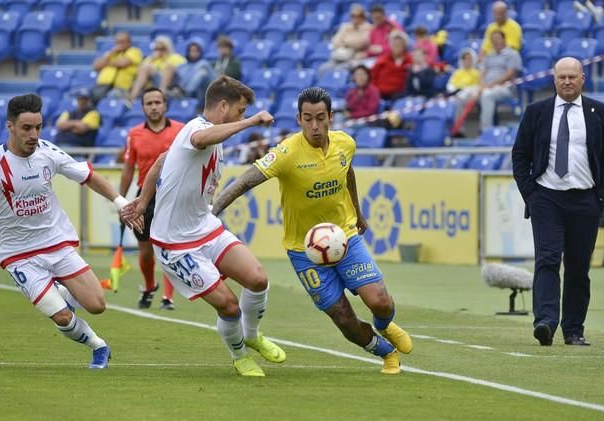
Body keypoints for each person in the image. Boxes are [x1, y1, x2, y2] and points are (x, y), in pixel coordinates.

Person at [211, 87, 413, 375]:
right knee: (344, 319)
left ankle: (384, 325)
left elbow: (347, 173)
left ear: (331, 117)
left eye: (320, 118)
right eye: (308, 119)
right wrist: (213, 211)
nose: (315, 126)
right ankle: (387, 353)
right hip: (304, 251)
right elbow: (244, 182)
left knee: (380, 302)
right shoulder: (286, 153)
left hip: (344, 237)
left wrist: (358, 212)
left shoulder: (346, 144)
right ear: (298, 119)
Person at [0, 94, 143, 369]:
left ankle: (60, 290)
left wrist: (121, 202)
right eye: (26, 128)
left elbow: (89, 176)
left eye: (38, 127)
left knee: (97, 304)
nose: (34, 134)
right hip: (18, 255)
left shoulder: (48, 152)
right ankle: (98, 346)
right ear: (10, 127)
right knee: (64, 317)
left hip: (56, 244)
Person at [121, 76, 286, 377]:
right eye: (239, 110)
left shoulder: (206, 135)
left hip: (205, 227)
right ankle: (240, 357)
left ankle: (251, 335)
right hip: (175, 245)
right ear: (223, 106)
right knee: (229, 306)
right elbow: (199, 141)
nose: (241, 116)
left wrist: (144, 203)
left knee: (258, 279)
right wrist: (250, 123)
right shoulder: (197, 130)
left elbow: (160, 160)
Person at [512, 57, 604, 347]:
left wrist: (602, 197)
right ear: (554, 80)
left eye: (573, 76)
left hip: (586, 199)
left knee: (578, 266)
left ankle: (574, 329)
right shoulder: (536, 112)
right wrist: (530, 193)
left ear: (583, 79)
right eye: (562, 77)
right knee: (547, 259)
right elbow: (520, 154)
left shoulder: (598, 111)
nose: (567, 81)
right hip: (546, 197)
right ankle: (545, 322)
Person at [120, 87, 185, 310]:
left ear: (165, 105)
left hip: (173, 195)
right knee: (146, 251)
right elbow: (128, 169)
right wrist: (120, 201)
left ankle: (168, 297)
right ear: (143, 107)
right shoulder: (134, 134)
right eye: (149, 103)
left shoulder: (181, 130)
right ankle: (149, 286)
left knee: (169, 247)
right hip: (144, 198)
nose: (154, 106)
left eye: (158, 102)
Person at [478, 31, 522, 131]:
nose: (495, 42)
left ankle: (486, 131)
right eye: (493, 40)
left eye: (497, 39)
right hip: (485, 87)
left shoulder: (512, 54)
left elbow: (510, 73)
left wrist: (491, 85)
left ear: (504, 39)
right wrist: (480, 85)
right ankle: (457, 132)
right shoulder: (489, 55)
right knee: (462, 95)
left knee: (486, 95)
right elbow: (482, 71)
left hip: (504, 88)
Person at [129, 36, 187, 101]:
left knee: (169, 67)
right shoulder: (151, 58)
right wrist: (152, 59)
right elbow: (139, 71)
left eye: (162, 49)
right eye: (156, 49)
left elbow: (183, 72)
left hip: (172, 84)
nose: (159, 51)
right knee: (146, 67)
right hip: (154, 83)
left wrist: (165, 59)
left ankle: (161, 96)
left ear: (167, 48)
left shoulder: (176, 57)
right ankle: (132, 98)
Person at [92, 32, 143, 103]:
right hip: (102, 86)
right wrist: (112, 52)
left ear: (129, 42)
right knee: (84, 95)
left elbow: (123, 63)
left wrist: (106, 63)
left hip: (121, 88)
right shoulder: (112, 53)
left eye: (122, 42)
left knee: (111, 96)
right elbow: (96, 66)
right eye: (118, 42)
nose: (119, 45)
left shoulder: (134, 51)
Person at [164, 39, 216, 107]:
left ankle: (185, 93)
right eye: (191, 51)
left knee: (202, 70)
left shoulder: (205, 64)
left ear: (201, 52)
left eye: (196, 51)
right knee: (170, 67)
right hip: (181, 90)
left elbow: (214, 80)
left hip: (200, 94)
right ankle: (165, 93)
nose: (193, 53)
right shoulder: (183, 66)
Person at [323, 3, 372, 69]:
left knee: (339, 69)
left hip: (355, 58)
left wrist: (346, 42)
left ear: (363, 17)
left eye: (358, 16)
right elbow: (335, 41)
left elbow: (360, 43)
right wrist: (348, 44)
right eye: (353, 16)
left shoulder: (368, 28)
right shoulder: (345, 26)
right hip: (340, 56)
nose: (355, 18)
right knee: (324, 68)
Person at [370, 30, 412, 100]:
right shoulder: (383, 59)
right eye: (394, 45)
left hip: (399, 94)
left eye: (399, 45)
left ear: (404, 46)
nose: (396, 47)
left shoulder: (410, 60)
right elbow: (373, 76)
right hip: (380, 92)